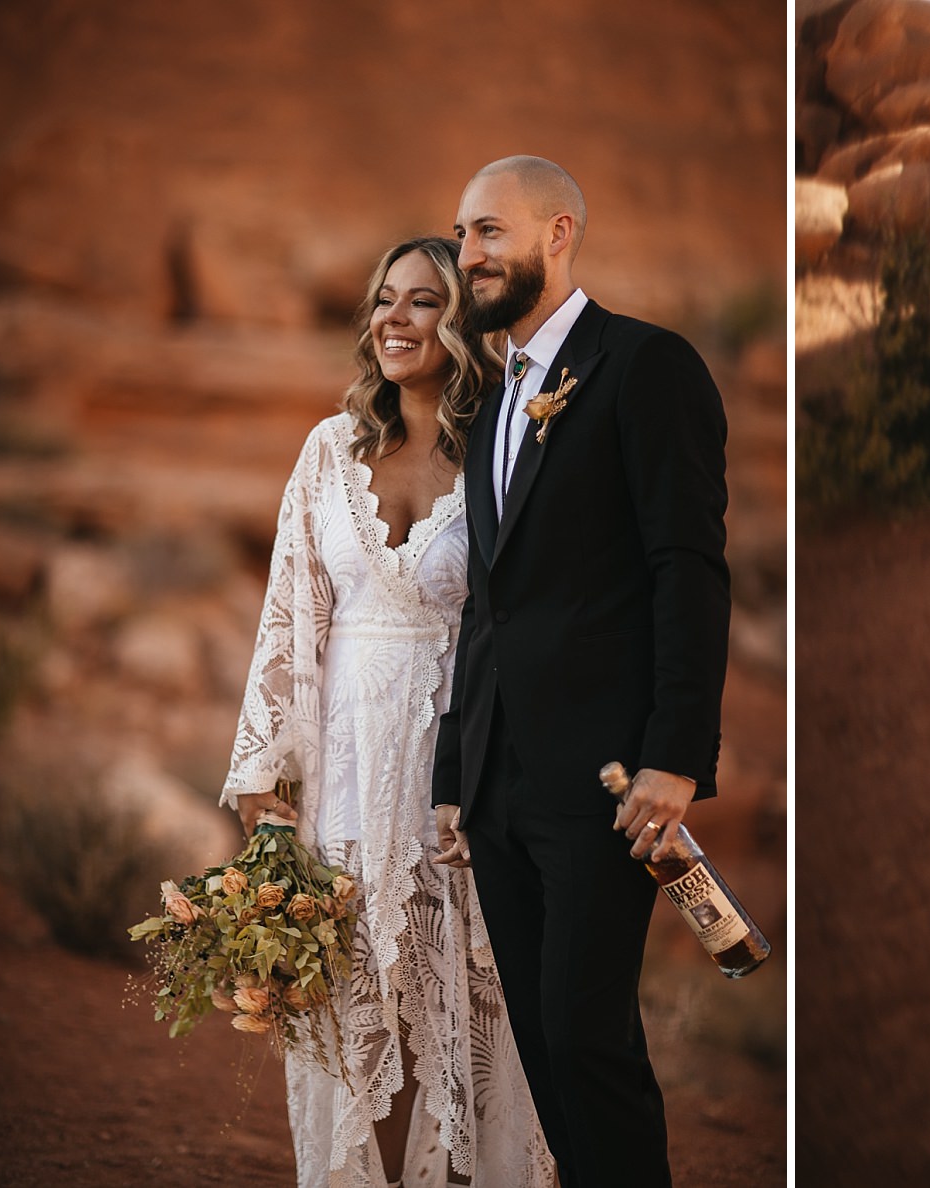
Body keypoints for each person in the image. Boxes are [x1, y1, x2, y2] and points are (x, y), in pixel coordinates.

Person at [221, 236, 554, 1188]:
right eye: (383, 301)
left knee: (454, 1007)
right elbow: (290, 611)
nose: (394, 320)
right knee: (355, 1000)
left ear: (460, 324)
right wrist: (267, 773)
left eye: (421, 302)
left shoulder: (502, 452)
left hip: (462, 767)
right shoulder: (330, 450)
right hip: (344, 772)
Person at [429, 155, 731, 1188]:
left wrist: (674, 756)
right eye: (464, 235)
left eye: (489, 233)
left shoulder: (645, 366)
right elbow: (491, 602)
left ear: (558, 234)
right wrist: (453, 774)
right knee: (546, 1046)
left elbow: (685, 570)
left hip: (607, 784)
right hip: (502, 781)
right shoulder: (494, 395)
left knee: (587, 1038)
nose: (469, 254)